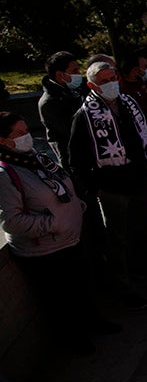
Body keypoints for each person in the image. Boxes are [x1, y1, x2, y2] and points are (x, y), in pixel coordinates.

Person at [0, 112, 95, 355]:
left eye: (26, 131)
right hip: (44, 250)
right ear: (3, 141)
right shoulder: (5, 174)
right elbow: (11, 221)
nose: (26, 137)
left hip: (68, 240)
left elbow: (59, 185)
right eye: (18, 134)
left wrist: (74, 205)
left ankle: (91, 327)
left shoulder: (36, 158)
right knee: (59, 302)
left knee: (80, 290)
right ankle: (73, 344)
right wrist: (54, 223)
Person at [68, 60, 147, 309]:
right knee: (118, 240)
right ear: (92, 85)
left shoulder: (128, 104)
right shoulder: (85, 116)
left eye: (113, 78)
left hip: (139, 180)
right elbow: (76, 159)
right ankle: (124, 289)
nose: (112, 84)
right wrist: (95, 188)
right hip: (112, 188)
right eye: (104, 81)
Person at [38, 51, 84, 168]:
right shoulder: (49, 103)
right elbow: (71, 132)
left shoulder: (76, 91)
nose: (79, 74)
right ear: (60, 75)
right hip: (73, 160)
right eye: (74, 71)